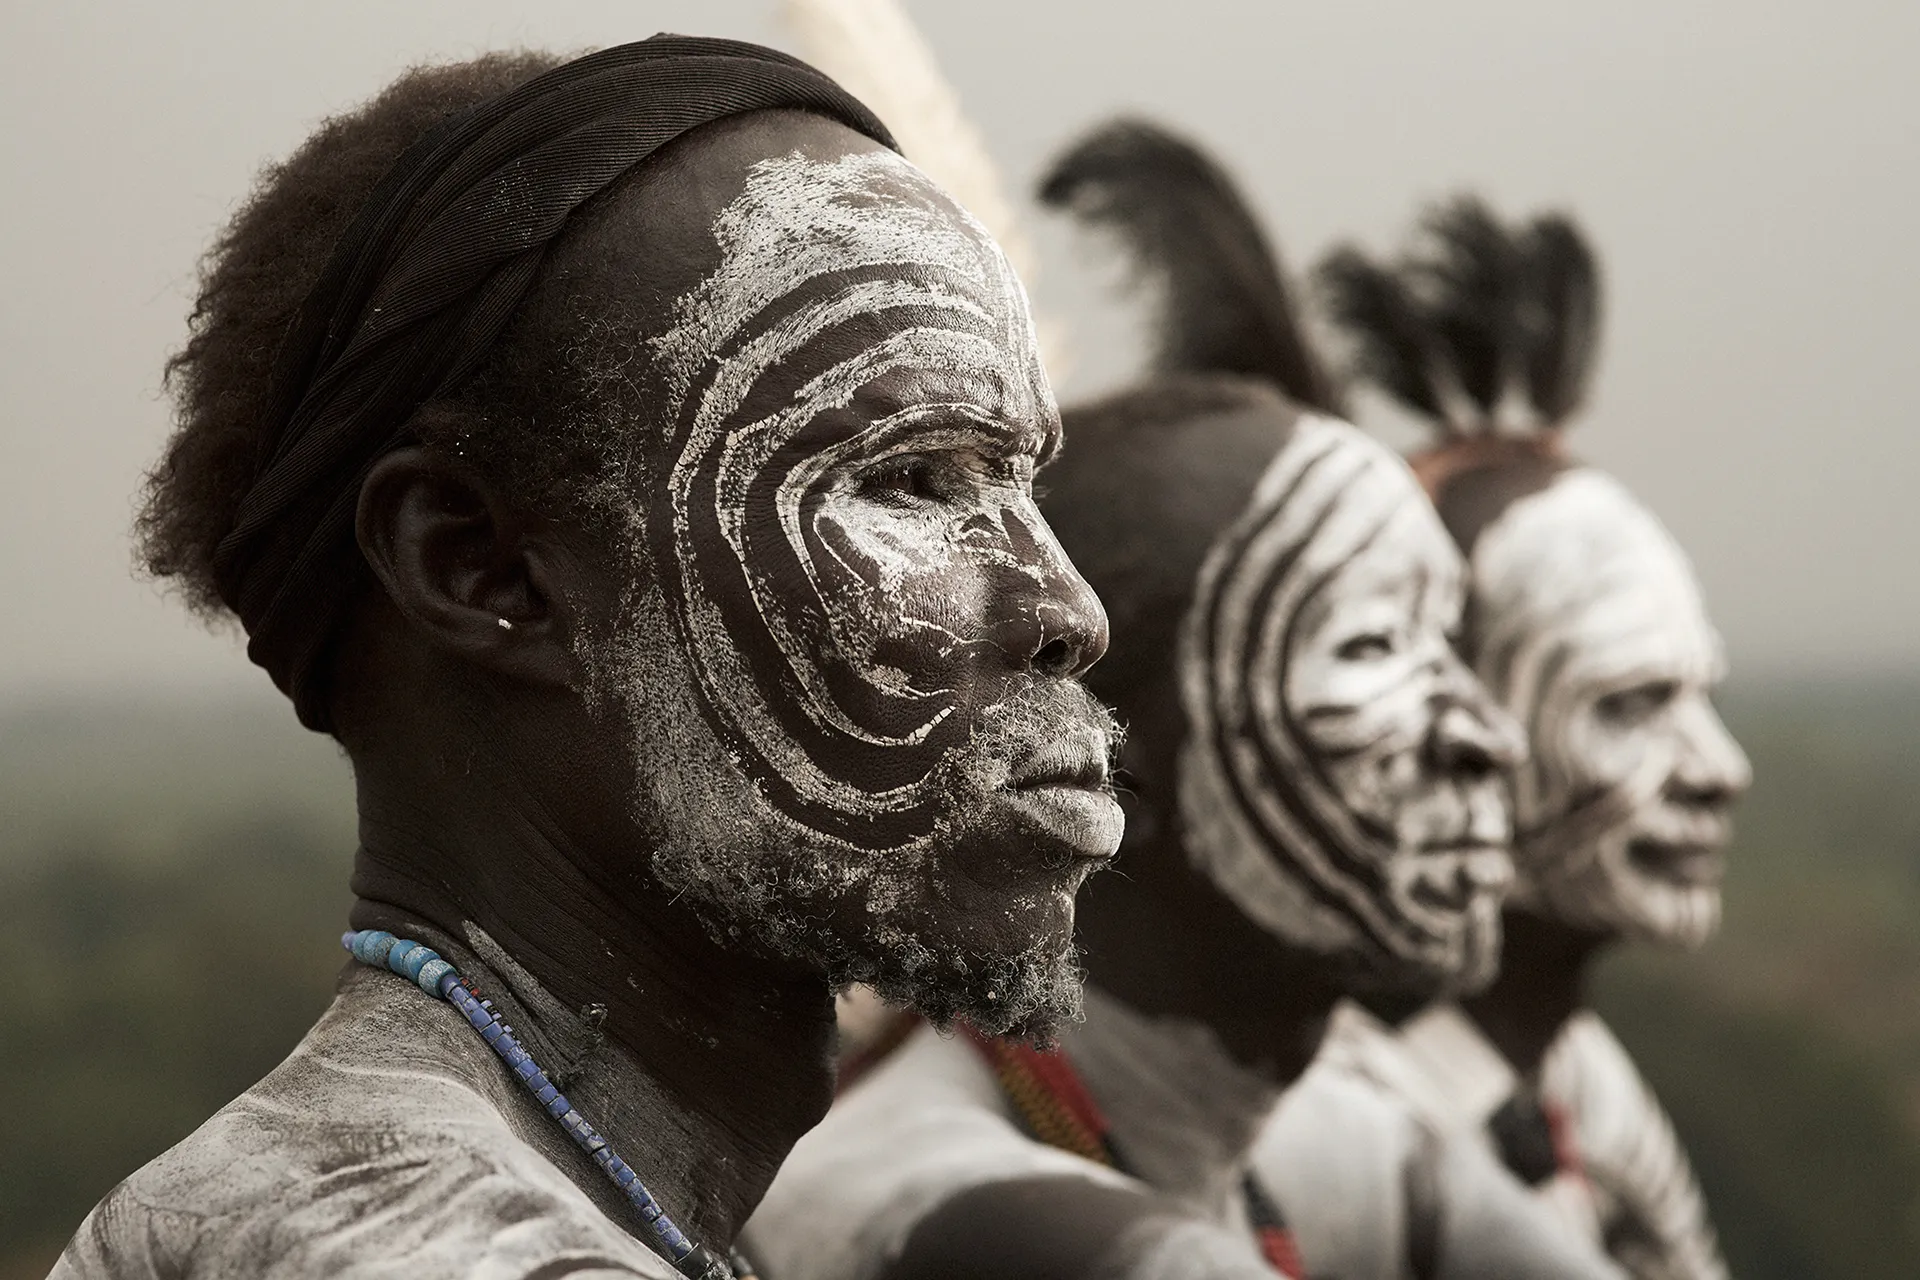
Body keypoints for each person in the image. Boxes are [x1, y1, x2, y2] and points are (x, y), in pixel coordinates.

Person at [55, 36, 1123, 1280]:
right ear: (482, 569)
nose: (1071, 607)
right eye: (911, 479)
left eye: (1019, 479)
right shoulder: (412, 1246)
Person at [740, 119, 1572, 1280]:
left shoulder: (1310, 1144)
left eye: (1450, 641)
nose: (1482, 733)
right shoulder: (955, 1204)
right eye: (1375, 643)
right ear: (1112, 756)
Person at [1099, 150, 1747, 1277]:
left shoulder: (1580, 1083)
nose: (1718, 767)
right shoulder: (1313, 1120)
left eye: (1700, 695)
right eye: (1630, 703)